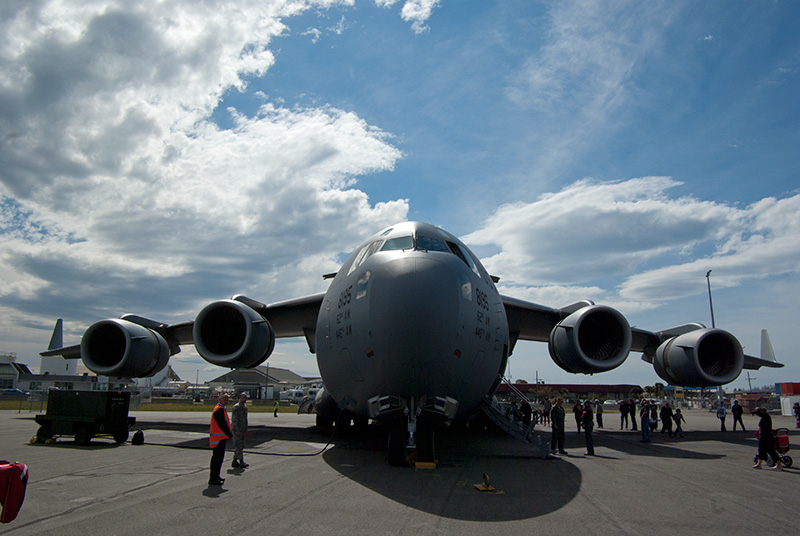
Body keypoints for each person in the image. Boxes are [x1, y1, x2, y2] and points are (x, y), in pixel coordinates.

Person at [209, 393, 233, 486]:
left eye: (227, 399)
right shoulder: (219, 410)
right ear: (219, 400)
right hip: (218, 439)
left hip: (220, 438)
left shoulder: (221, 409)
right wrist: (229, 434)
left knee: (218, 459)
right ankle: (213, 478)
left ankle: (216, 476)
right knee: (217, 459)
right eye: (224, 399)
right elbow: (222, 424)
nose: (226, 401)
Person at [231, 392, 249, 469]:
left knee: (240, 445)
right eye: (243, 398)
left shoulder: (245, 407)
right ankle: (241, 461)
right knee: (239, 445)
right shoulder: (236, 407)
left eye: (245, 398)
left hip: (242, 429)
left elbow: (245, 420)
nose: (244, 399)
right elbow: (234, 420)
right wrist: (236, 430)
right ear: (239, 398)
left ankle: (235, 461)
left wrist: (245, 430)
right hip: (237, 429)